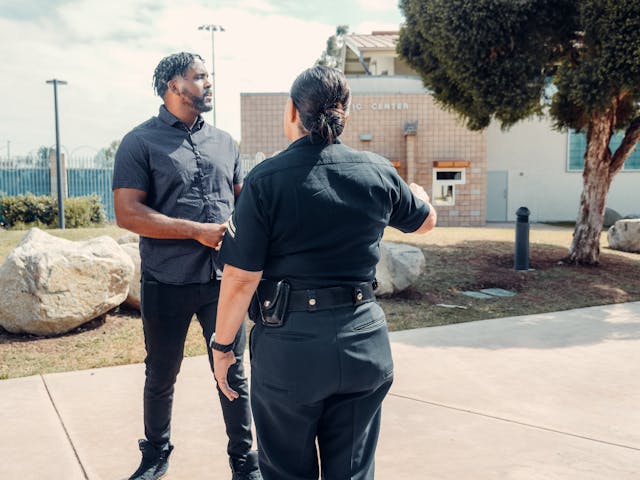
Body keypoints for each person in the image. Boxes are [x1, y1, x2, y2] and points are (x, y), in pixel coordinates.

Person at [211, 65, 437, 480]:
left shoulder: (266, 181)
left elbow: (241, 278)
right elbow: (425, 222)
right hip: (363, 346)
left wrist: (223, 347)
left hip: (290, 355)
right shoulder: (377, 171)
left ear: (293, 112)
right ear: (344, 114)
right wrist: (418, 193)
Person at [112, 52, 261, 480]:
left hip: (223, 283)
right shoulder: (139, 142)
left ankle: (244, 462)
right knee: (161, 373)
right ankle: (156, 455)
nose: (208, 83)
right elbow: (129, 212)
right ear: (172, 86)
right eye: (199, 77)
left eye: (208, 76)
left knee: (233, 371)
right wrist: (195, 230)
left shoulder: (226, 142)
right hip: (166, 280)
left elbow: (243, 205)